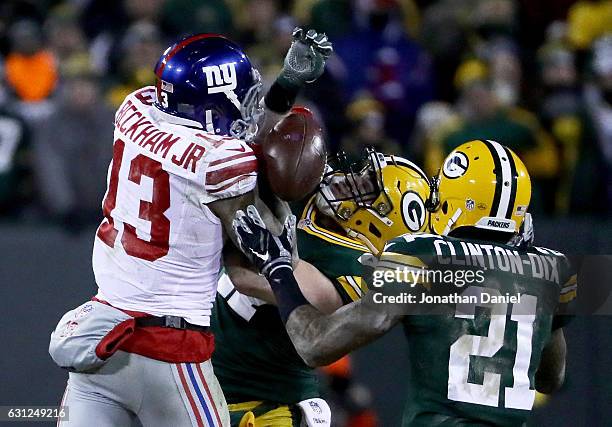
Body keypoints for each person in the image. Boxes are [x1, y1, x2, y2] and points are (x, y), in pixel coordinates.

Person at [49, 29, 332, 427]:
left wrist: (285, 85)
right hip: (171, 349)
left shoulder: (134, 109)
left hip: (102, 338)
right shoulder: (222, 163)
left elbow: (220, 137)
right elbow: (259, 226)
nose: (250, 109)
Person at [232, 140, 575, 426]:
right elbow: (550, 377)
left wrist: (278, 270)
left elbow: (314, 345)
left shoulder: (422, 254)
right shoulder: (554, 269)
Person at [212, 149, 431, 426]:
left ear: (383, 219)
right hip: (211, 385)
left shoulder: (356, 270)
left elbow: (246, 276)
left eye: (366, 187)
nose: (348, 179)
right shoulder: (316, 212)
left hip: (263, 407)